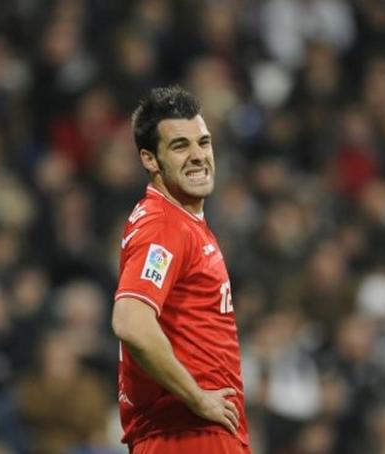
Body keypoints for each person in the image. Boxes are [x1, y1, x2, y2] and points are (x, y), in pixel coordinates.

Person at [112, 86, 250, 453]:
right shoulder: (165, 226)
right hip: (188, 434)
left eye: (203, 143)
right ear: (150, 159)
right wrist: (197, 398)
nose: (198, 156)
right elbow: (131, 322)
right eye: (180, 146)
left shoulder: (182, 225)